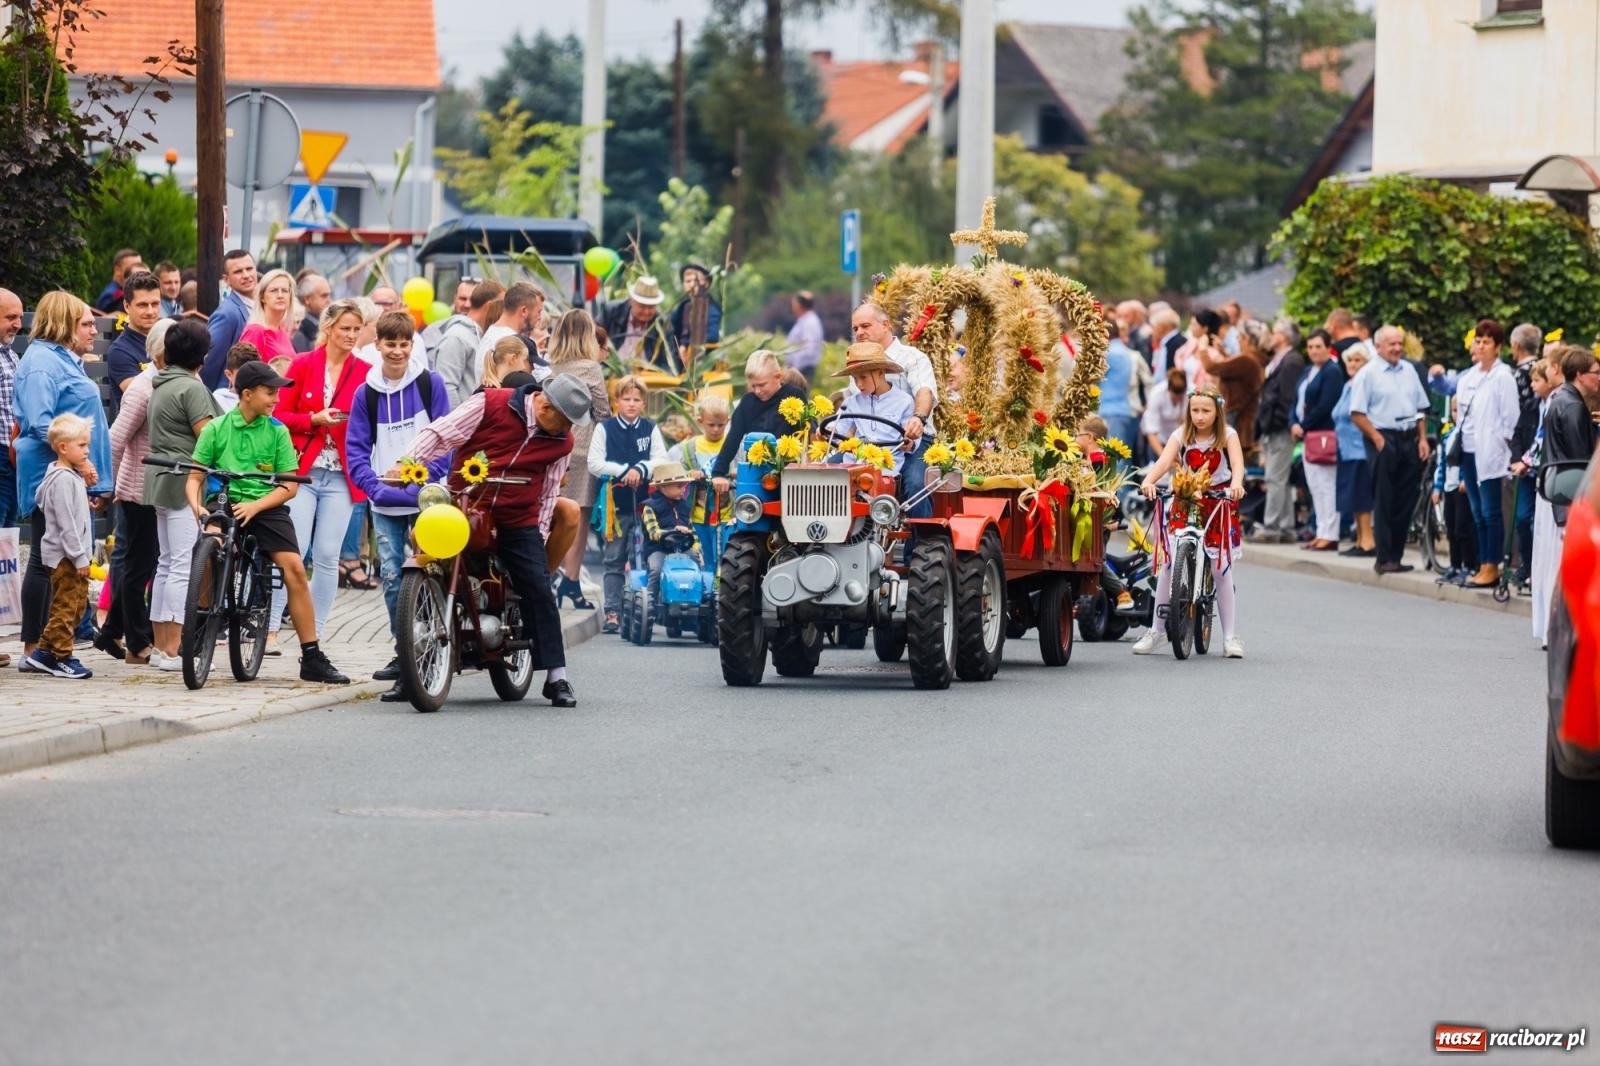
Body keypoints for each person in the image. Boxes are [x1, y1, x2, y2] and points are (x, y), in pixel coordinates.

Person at [397, 374, 597, 707]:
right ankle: (409, 668)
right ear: (545, 405)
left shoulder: (563, 442)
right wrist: (407, 462)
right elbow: (440, 433)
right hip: (463, 505)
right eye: (565, 422)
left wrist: (539, 534)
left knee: (537, 586)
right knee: (423, 561)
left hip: (517, 519)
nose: (567, 431)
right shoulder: (490, 404)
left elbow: (548, 493)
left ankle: (556, 676)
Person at [188, 360, 350, 683]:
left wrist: (257, 505)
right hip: (225, 500)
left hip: (266, 503)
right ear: (246, 394)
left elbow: (289, 486)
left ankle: (312, 656)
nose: (276, 399)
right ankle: (201, 630)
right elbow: (194, 478)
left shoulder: (277, 431)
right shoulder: (216, 429)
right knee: (208, 547)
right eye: (270, 392)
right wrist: (197, 507)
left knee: (294, 567)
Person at [344, 310, 451, 701]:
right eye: (390, 344)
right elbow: (356, 449)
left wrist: (427, 475)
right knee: (392, 578)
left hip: (426, 498)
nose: (397, 351)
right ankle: (404, 647)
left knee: (434, 572)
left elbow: (447, 439)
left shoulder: (429, 383)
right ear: (378, 346)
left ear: (412, 345)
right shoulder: (366, 393)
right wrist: (373, 485)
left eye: (404, 344)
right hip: (385, 501)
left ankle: (431, 644)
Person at [261, 299, 373, 647]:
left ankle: (316, 633)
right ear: (328, 329)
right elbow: (278, 415)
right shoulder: (303, 364)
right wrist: (313, 419)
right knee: (293, 549)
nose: (351, 335)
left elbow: (370, 423)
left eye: (356, 329)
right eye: (345, 329)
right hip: (303, 473)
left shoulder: (366, 371)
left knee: (327, 555)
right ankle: (272, 628)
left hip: (342, 475)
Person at [15, 292, 113, 660]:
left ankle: (51, 643)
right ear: (63, 324)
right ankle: (35, 647)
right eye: (86, 323)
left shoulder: (62, 360)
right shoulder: (42, 363)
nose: (93, 329)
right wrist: (85, 465)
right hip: (51, 475)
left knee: (60, 560)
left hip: (73, 476)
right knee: (46, 559)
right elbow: (42, 423)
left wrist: (96, 477)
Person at [1134, 385, 1247, 658]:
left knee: (1221, 568)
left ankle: (1230, 637)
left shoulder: (1228, 435)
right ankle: (1157, 631)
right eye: (1195, 410)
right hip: (1185, 499)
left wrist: (1236, 484)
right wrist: (1148, 481)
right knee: (1169, 563)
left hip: (1218, 502)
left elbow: (1237, 465)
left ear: (1217, 412)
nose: (1199, 416)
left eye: (1206, 411)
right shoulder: (1180, 435)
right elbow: (1163, 463)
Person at [143, 318, 221, 667]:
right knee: (180, 565)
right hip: (183, 481)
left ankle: (162, 645)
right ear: (201, 357)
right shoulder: (191, 389)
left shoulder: (161, 383)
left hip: (159, 479)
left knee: (165, 562)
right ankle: (174, 648)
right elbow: (208, 436)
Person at [107, 319, 174, 665]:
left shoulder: (165, 381)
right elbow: (116, 439)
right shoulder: (143, 387)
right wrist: (107, 484)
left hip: (157, 487)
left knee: (146, 561)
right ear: (161, 354)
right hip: (139, 488)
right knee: (139, 566)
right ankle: (136, 642)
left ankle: (110, 631)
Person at [1348, 325, 1432, 574]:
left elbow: (1420, 408)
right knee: (1385, 498)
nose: (1397, 348)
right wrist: (1377, 438)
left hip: (1409, 437)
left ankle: (1397, 554)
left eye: (1399, 343)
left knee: (1406, 498)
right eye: (1391, 344)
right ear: (1378, 346)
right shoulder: (1368, 373)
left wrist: (1423, 438)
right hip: (1383, 437)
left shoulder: (1409, 370)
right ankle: (1384, 558)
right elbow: (1357, 412)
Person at [587, 375, 667, 633]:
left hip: (646, 506)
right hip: (616, 504)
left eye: (636, 400)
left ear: (643, 403)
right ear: (616, 401)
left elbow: (660, 459)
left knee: (642, 557)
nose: (631, 404)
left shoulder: (650, 429)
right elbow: (595, 463)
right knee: (614, 557)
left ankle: (642, 609)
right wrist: (624, 472)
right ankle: (612, 611)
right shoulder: (605, 429)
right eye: (626, 399)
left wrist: (641, 469)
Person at [22, 414, 97, 678]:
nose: (87, 451)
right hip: (66, 557)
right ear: (63, 447)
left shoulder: (69, 475)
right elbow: (66, 524)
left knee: (76, 605)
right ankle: (62, 656)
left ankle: (43, 653)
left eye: (87, 445)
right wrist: (79, 557)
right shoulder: (63, 479)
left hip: (72, 555)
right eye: (81, 446)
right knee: (65, 607)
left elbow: (71, 512)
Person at [546, 308, 612, 606]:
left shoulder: (551, 365)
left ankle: (552, 573)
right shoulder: (590, 367)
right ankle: (571, 580)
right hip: (583, 448)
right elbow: (603, 411)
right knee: (579, 516)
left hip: (552, 444)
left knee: (549, 513)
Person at [848, 302, 939, 513]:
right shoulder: (856, 363)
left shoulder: (913, 358)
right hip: (866, 442)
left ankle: (919, 543)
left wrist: (918, 419)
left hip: (911, 441)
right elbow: (851, 410)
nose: (859, 333)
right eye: (855, 329)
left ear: (885, 325)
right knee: (825, 472)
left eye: (865, 326)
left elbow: (924, 392)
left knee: (916, 484)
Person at [1454, 319, 1520, 589]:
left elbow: (1510, 417)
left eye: (1487, 341)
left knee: (1491, 511)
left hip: (1491, 453)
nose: (1480, 346)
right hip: (1468, 451)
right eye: (1477, 340)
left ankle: (1492, 565)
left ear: (1498, 347)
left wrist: (1502, 449)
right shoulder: (1469, 376)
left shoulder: (1503, 376)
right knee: (1477, 511)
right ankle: (1483, 564)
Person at [710, 349, 810, 489]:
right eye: (753, 386)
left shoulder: (794, 395)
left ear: (778, 376)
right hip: (756, 475)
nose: (757, 391)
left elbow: (806, 434)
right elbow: (732, 439)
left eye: (762, 385)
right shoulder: (747, 403)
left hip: (789, 474)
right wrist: (718, 474)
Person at [1251, 318, 1306, 543]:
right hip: (1272, 426)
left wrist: (1281, 422)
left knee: (1275, 478)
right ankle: (1286, 527)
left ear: (1283, 336)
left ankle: (1272, 527)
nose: (1270, 336)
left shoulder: (1291, 360)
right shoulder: (1280, 359)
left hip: (1280, 427)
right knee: (1278, 478)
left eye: (1274, 332)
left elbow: (1287, 396)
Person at [1290, 328, 1345, 551]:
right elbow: (1296, 400)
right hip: (1306, 434)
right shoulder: (1307, 371)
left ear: (1327, 347)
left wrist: (1303, 425)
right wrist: (1293, 422)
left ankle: (1330, 533)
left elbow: (1326, 405)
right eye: (1310, 347)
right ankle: (1321, 530)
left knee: (1326, 485)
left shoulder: (1332, 371)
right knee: (1314, 485)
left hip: (1322, 433)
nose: (1313, 351)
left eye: (1318, 347)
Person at [831, 342, 915, 475]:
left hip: (886, 469)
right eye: (855, 378)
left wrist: (909, 443)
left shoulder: (904, 401)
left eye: (863, 377)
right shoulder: (852, 402)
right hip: (852, 465)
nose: (858, 384)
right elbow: (838, 427)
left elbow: (912, 438)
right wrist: (828, 431)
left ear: (881, 373)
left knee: (915, 483)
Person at [668, 393, 732, 568]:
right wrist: (690, 473)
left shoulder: (733, 445)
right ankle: (707, 588)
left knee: (728, 553)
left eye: (721, 425)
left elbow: (743, 470)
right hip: (698, 514)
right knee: (704, 556)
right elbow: (677, 474)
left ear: (728, 421)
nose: (716, 429)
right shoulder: (690, 447)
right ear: (700, 421)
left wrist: (733, 474)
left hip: (728, 513)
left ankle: (724, 590)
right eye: (711, 425)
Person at [1197, 315, 1267, 455]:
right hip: (1242, 422)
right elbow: (1235, 368)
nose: (1238, 341)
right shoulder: (1254, 359)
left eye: (1239, 337)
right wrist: (1223, 352)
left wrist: (1202, 348)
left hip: (1236, 422)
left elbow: (1211, 367)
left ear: (1247, 339)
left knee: (1229, 470)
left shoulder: (1247, 360)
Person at [1507, 322, 1543, 584]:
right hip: (1525, 459)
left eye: (1537, 381)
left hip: (1537, 464)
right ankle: (1526, 566)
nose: (1532, 385)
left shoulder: (1516, 375)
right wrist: (1517, 457)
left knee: (1534, 520)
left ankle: (1531, 569)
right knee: (1522, 518)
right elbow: (1520, 428)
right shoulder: (1535, 404)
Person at [1331, 345, 1376, 556]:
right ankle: (1360, 539)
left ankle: (1368, 541)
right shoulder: (1349, 384)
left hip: (1359, 449)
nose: (1352, 364)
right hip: (1346, 449)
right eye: (1349, 360)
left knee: (1361, 496)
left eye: (1357, 360)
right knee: (1353, 498)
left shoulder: (1364, 383)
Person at [433, 279, 504, 407]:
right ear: (489, 306)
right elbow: (446, 387)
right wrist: (458, 424)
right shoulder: (456, 337)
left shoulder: (482, 335)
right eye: (502, 305)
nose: (504, 311)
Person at [639, 460, 699, 608]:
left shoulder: (684, 506)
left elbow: (693, 532)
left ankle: (700, 598)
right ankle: (650, 603)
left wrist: (697, 549)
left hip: (683, 548)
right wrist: (672, 531)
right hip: (658, 548)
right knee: (656, 570)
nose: (683, 490)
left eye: (684, 486)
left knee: (695, 567)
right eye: (679, 486)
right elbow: (653, 532)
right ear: (663, 486)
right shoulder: (649, 506)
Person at [104, 270, 163, 420]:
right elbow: (143, 400)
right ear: (126, 306)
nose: (150, 311)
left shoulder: (170, 340)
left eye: (155, 304)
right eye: (142, 305)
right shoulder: (119, 351)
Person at [200, 249, 258, 389]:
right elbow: (209, 363)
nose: (246, 275)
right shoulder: (227, 314)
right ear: (226, 279)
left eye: (249, 269)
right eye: (238, 272)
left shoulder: (258, 306)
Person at [601, 275, 677, 369]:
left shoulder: (662, 323)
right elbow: (594, 345)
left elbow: (670, 363)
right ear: (631, 301)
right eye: (642, 306)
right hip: (610, 374)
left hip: (648, 378)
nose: (646, 312)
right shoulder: (611, 312)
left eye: (651, 307)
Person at [237, 268, 300, 364]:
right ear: (262, 297)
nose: (280, 295)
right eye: (274, 290)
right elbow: (244, 372)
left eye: (284, 291)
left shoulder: (281, 330)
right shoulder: (255, 331)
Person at [1098, 316, 1141, 456]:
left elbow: (1089, 374)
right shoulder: (1121, 349)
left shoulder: (1110, 353)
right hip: (1121, 410)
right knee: (1119, 458)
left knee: (1115, 460)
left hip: (1112, 411)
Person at [0, 287, 24, 529]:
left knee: (7, 529)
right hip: (1, 454)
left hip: (11, 454)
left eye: (19, 317)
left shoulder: (10, 355)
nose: (17, 324)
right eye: (10, 318)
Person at [479, 281, 543, 365]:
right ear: (524, 311)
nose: (539, 317)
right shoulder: (511, 343)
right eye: (538, 312)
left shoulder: (489, 336)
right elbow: (543, 376)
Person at [670, 262, 722, 354]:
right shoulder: (682, 308)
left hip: (704, 360)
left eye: (696, 281)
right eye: (688, 281)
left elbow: (712, 337)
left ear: (706, 283)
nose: (692, 285)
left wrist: (687, 346)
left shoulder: (712, 308)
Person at [1141, 368, 1187, 457]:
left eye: (1180, 397)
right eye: (1174, 397)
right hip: (1158, 439)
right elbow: (1151, 432)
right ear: (1168, 390)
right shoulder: (1157, 394)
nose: (1177, 400)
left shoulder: (1190, 392)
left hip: (1179, 440)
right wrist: (1165, 458)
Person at [785, 290, 824, 385]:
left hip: (803, 369)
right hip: (799, 369)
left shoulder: (810, 322)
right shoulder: (804, 320)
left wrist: (795, 366)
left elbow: (809, 349)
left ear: (799, 304)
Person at [211, 341, 261, 412]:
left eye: (254, 375)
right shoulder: (218, 400)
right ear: (228, 374)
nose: (249, 380)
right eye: (243, 376)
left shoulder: (261, 400)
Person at [94, 248, 143, 313]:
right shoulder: (111, 295)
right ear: (117, 270)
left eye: (140, 266)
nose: (139, 270)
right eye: (132, 267)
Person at [293, 272, 331, 353]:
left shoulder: (325, 324)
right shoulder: (297, 329)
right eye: (324, 296)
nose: (329, 301)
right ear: (307, 299)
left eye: (329, 295)